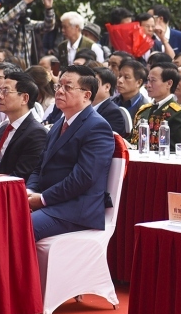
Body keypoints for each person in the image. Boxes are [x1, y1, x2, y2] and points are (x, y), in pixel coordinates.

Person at [26, 65, 116, 240]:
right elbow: (40, 167)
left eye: (67, 87)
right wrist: (29, 190)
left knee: (19, 226)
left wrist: (43, 199)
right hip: (51, 202)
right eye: (58, 86)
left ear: (86, 95)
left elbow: (83, 177)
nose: (59, 91)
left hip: (75, 209)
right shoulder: (58, 124)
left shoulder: (97, 126)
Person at [0, 71, 47, 179]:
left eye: (6, 91)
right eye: (0, 91)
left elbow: (21, 177)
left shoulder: (36, 133)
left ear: (24, 98)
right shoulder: (3, 128)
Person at [129, 64, 181, 149]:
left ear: (169, 83)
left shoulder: (178, 114)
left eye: (153, 81)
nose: (148, 85)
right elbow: (132, 139)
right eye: (148, 80)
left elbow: (175, 149)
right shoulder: (144, 110)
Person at [0, 0, 55, 69]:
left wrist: (49, 8)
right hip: (5, 68)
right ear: (11, 8)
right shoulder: (0, 23)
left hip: (23, 69)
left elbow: (48, 26)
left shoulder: (28, 24)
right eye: (20, 7)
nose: (23, 9)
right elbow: (5, 22)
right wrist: (25, 1)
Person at [91, 68, 129, 137]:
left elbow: (106, 139)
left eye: (94, 83)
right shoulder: (84, 107)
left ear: (107, 87)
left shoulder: (113, 113)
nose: (89, 86)